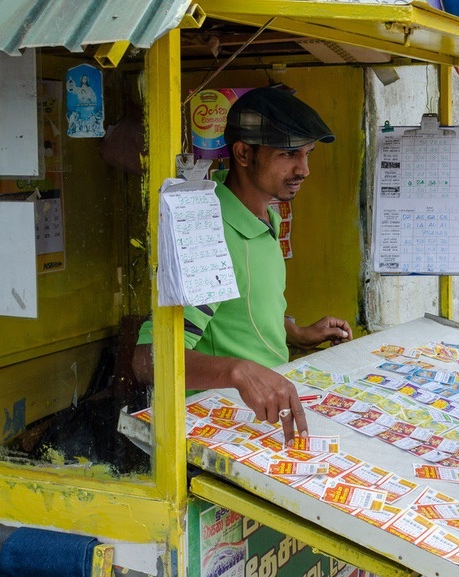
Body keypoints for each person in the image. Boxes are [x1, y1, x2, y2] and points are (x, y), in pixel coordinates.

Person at [133, 87, 353, 439]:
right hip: (219, 429)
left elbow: (234, 307)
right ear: (244, 154)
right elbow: (148, 359)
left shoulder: (266, 214)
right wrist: (236, 371)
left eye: (308, 154)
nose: (304, 170)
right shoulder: (208, 233)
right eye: (289, 154)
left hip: (264, 417)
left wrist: (293, 333)